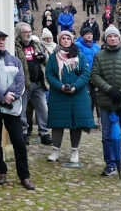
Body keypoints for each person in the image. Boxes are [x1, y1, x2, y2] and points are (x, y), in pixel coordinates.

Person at [0, 30, 35, 190]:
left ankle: (24, 176)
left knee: (19, 141)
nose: (1, 42)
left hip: (12, 109)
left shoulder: (15, 61)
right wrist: (3, 96)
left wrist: (12, 96)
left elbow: (20, 81)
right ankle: (0, 172)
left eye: (3, 39)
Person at [90, 26, 121, 180]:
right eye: (110, 36)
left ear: (119, 38)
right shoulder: (99, 56)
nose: (112, 39)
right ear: (106, 39)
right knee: (106, 136)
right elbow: (95, 75)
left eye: (115, 36)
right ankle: (110, 164)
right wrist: (109, 90)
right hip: (107, 102)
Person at [45, 30, 95, 164]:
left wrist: (74, 86)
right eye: (63, 38)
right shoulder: (53, 57)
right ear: (59, 40)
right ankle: (55, 150)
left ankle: (74, 150)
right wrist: (60, 86)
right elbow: (49, 74)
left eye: (68, 38)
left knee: (76, 123)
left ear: (72, 40)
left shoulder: (80, 55)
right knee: (58, 122)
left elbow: (85, 73)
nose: (66, 40)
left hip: (77, 94)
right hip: (59, 94)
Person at [14, 23, 52, 146]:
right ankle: (23, 132)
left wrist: (43, 58)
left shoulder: (35, 44)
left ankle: (44, 132)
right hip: (24, 83)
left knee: (43, 108)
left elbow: (46, 61)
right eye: (26, 32)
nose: (29, 34)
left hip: (38, 83)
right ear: (20, 34)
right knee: (22, 110)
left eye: (30, 31)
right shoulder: (15, 47)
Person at [77, 26, 101, 124]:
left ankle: (92, 119)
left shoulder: (96, 47)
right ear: (83, 36)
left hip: (95, 76)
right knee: (86, 98)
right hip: (84, 76)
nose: (89, 36)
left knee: (95, 98)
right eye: (87, 34)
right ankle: (85, 119)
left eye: (91, 34)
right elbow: (79, 60)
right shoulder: (78, 45)